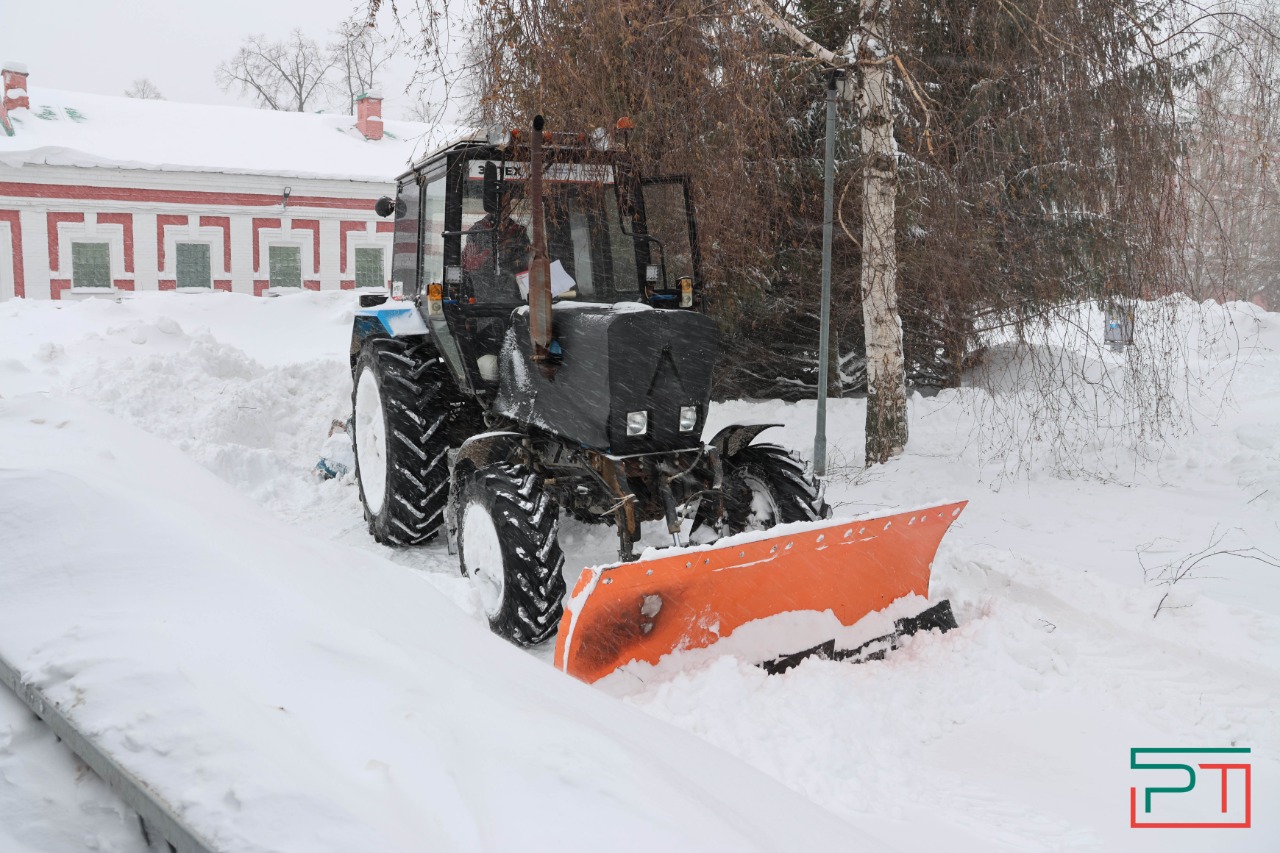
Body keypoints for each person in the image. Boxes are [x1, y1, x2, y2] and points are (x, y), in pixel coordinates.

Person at [462, 209, 532, 303]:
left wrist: (515, 260)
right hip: (484, 294)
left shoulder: (519, 232)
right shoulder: (477, 231)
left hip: (514, 293)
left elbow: (527, 262)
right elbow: (470, 263)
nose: (504, 211)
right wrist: (492, 252)